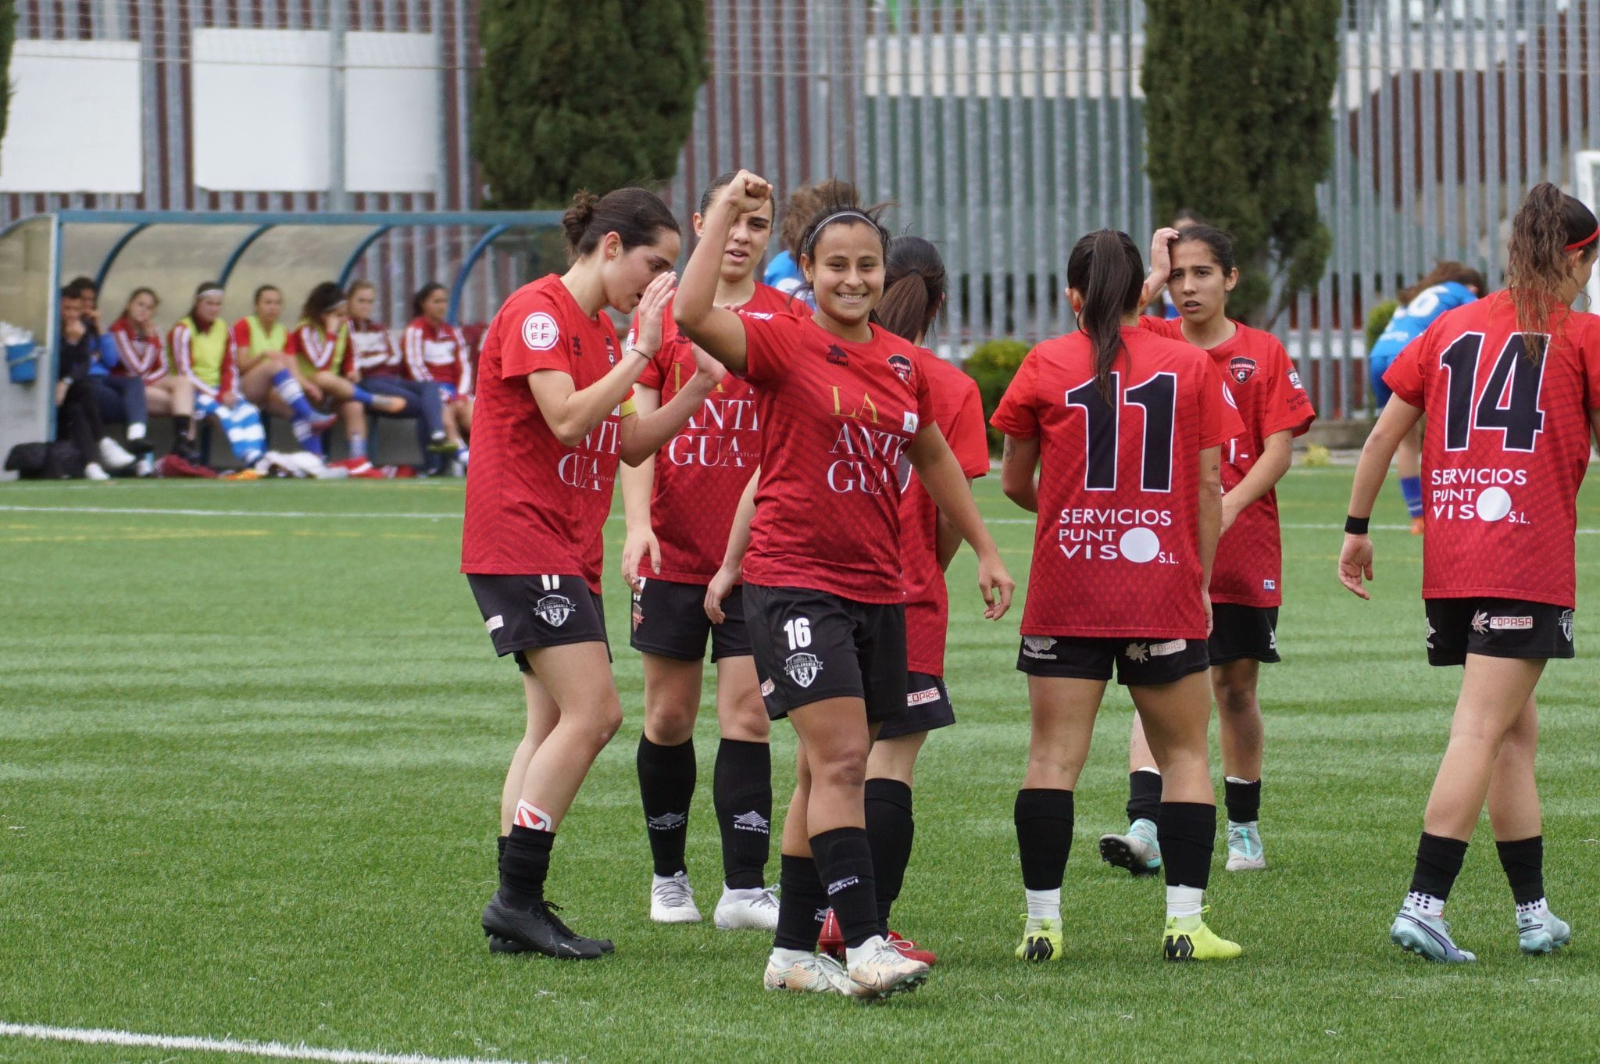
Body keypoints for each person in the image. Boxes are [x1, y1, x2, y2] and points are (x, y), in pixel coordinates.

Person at [679, 172, 1014, 999]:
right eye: (837, 265)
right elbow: (688, 316)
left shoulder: (903, 363)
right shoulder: (784, 342)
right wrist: (722, 210)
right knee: (843, 761)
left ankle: (793, 954)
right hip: (795, 586)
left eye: (869, 266)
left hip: (878, 589)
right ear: (809, 267)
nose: (855, 279)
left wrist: (985, 548)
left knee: (817, 774)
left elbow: (933, 454)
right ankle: (863, 941)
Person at [465, 187, 731, 960]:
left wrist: (695, 384)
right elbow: (568, 418)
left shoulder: (597, 331)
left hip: (564, 553)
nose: (662, 286)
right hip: (523, 545)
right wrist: (646, 351)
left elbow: (630, 441)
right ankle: (515, 898)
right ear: (610, 246)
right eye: (657, 265)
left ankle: (514, 897)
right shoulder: (538, 312)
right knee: (598, 713)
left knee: (549, 723)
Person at [1339, 182, 1596, 963]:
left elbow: (1384, 435)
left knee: (1514, 732)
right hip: (1524, 559)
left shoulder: (1451, 325)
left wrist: (1356, 529)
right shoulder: (1582, 334)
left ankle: (1532, 914)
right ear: (1578, 255)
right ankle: (1425, 902)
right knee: (1482, 728)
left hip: (1452, 559)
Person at [991, 228, 1246, 964]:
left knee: (1050, 762)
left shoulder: (1045, 361)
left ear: (1073, 295)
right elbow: (1205, 485)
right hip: (1159, 585)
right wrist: (1196, 577)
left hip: (1068, 586)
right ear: (1147, 289)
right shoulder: (1191, 363)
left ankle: (1042, 926)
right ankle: (1184, 926)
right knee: (1185, 757)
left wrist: (1076, 519)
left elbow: (1013, 480)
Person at [1099, 226, 1317, 877]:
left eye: (1201, 273)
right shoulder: (1155, 340)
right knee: (1157, 677)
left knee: (1235, 688)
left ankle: (1244, 829)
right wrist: (1152, 269)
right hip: (1166, 548)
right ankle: (1146, 824)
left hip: (1243, 547)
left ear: (1230, 278)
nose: (1188, 286)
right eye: (1179, 274)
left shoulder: (1263, 351)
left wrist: (1228, 505)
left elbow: (1279, 446)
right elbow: (1108, 316)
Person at [617, 173, 787, 931]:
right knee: (669, 716)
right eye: (734, 219)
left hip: (760, 557)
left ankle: (744, 889)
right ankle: (669, 877)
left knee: (748, 713)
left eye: (759, 223)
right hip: (675, 552)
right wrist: (637, 525)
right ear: (703, 222)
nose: (745, 234)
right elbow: (637, 424)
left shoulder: (786, 319)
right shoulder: (665, 310)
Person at [814, 235, 988, 966]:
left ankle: (816, 914)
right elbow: (952, 509)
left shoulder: (825, 363)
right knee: (888, 766)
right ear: (941, 300)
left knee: (824, 767)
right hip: (905, 594)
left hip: (816, 589)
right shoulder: (947, 385)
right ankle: (867, 926)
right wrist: (928, 565)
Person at [1367, 262, 1487, 533]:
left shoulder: (1420, 295)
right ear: (1473, 287)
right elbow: (1482, 316)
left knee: (1404, 441)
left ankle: (1418, 518)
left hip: (1380, 355)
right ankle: (1456, 506)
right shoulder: (1462, 292)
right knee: (1451, 432)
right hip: (1411, 353)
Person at [284, 281, 408, 465]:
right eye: (338, 315)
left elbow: (351, 354)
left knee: (354, 407)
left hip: (333, 390)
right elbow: (321, 364)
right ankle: (373, 399)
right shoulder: (305, 330)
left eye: (344, 314)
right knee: (324, 377)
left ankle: (358, 460)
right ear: (323, 314)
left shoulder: (344, 326)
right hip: (309, 392)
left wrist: (351, 370)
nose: (343, 319)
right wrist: (330, 333)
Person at [346, 280, 459, 473]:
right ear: (349, 302)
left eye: (370, 301)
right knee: (429, 403)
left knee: (429, 389)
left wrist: (372, 359)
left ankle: (437, 437)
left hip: (392, 380)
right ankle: (433, 464)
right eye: (361, 301)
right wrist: (378, 358)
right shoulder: (346, 328)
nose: (366, 306)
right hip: (369, 384)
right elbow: (356, 365)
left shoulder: (379, 328)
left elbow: (395, 358)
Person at [231, 284, 339, 459]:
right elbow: (241, 365)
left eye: (277, 303)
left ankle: (317, 458)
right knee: (274, 365)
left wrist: (308, 385)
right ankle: (311, 415)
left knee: (296, 410)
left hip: (269, 392)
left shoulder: (284, 333)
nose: (273, 307)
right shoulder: (244, 325)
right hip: (244, 388)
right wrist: (262, 355)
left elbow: (293, 368)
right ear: (256, 305)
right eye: (267, 303)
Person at [171, 283, 269, 469]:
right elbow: (184, 371)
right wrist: (216, 396)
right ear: (196, 303)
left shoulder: (224, 328)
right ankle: (249, 457)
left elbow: (229, 367)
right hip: (194, 392)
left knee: (249, 411)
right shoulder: (182, 329)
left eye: (218, 304)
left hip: (219, 390)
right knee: (225, 414)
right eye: (209, 303)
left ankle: (259, 456)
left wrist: (227, 391)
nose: (214, 308)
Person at [56, 284, 140, 480]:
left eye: (76, 309)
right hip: (52, 391)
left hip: (70, 391)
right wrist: (70, 344)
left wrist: (66, 382)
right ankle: (102, 443)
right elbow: (58, 365)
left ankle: (92, 464)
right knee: (84, 389)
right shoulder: (53, 328)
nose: (72, 314)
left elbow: (85, 363)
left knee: (78, 407)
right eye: (67, 309)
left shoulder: (82, 328)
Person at [106, 288, 199, 462]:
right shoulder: (118, 330)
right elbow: (136, 370)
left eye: (149, 308)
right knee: (183, 405)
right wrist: (150, 342)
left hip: (148, 384)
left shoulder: (154, 331)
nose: (144, 310)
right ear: (129, 305)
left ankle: (182, 441)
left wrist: (148, 379)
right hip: (126, 390)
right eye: (140, 304)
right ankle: (185, 448)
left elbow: (164, 368)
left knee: (184, 383)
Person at [402, 283, 473, 467]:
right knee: (444, 412)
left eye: (444, 301)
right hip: (430, 392)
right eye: (436, 301)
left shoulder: (453, 332)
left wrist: (461, 395)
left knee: (472, 413)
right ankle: (462, 456)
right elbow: (416, 368)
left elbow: (464, 367)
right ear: (424, 304)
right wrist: (446, 396)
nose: (442, 306)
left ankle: (489, 457)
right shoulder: (415, 331)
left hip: (455, 392)